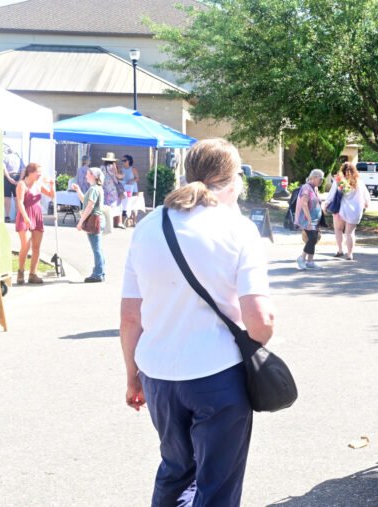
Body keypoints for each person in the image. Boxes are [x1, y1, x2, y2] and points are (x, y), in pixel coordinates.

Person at [119, 138, 274, 506]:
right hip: (217, 373)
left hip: (158, 373)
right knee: (216, 484)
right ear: (234, 180)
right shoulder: (237, 229)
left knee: (175, 470)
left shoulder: (148, 225)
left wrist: (132, 375)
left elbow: (129, 316)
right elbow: (260, 321)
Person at [14, 162, 55, 285]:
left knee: (36, 247)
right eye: (38, 172)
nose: (40, 175)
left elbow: (51, 195)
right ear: (30, 172)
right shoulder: (22, 184)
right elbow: (20, 202)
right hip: (25, 215)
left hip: (37, 215)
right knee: (25, 246)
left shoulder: (38, 184)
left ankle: (33, 274)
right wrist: (26, 218)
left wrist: (52, 185)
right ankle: (20, 271)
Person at [324, 162, 369, 260]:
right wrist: (366, 203)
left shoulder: (339, 181)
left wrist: (326, 204)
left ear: (342, 170)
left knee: (338, 230)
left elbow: (331, 195)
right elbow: (366, 195)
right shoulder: (359, 181)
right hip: (355, 211)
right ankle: (350, 254)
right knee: (350, 233)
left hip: (340, 210)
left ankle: (340, 250)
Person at [70, 167, 106, 283]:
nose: (86, 175)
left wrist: (80, 222)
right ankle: (100, 272)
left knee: (96, 249)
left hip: (95, 220)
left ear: (94, 176)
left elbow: (89, 207)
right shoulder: (95, 189)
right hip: (98, 219)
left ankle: (98, 274)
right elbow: (85, 201)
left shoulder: (94, 189)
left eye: (88, 174)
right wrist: (78, 190)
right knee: (98, 248)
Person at [294, 169, 325, 270]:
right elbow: (304, 204)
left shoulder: (314, 188)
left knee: (314, 238)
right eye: (320, 179)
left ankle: (310, 261)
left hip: (315, 219)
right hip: (307, 219)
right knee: (312, 238)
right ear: (314, 177)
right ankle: (302, 258)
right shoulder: (306, 188)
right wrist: (309, 219)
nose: (321, 182)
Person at [101, 153, 124, 230]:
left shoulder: (101, 167)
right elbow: (118, 176)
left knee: (106, 205)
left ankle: (106, 222)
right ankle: (118, 222)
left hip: (104, 189)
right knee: (117, 204)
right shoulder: (113, 167)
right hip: (113, 190)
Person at [3, 145, 23, 222]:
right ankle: (17, 216)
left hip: (7, 177)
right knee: (17, 198)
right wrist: (20, 180)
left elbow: (4, 168)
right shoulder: (19, 158)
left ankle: (7, 216)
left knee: (7, 197)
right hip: (17, 176)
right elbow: (23, 170)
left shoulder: (5, 157)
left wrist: (9, 178)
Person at [120, 154, 139, 227]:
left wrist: (131, 180)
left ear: (129, 161)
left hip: (133, 189)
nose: (123, 162)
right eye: (122, 161)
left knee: (134, 204)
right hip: (125, 189)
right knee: (126, 204)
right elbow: (121, 178)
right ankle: (126, 221)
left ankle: (134, 221)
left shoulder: (133, 169)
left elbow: (137, 178)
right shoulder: (122, 169)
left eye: (125, 160)